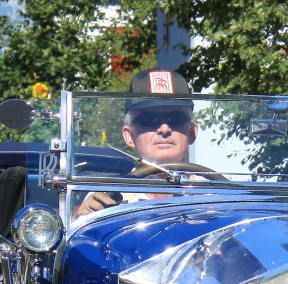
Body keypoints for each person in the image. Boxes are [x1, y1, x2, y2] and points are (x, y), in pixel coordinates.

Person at [74, 70, 203, 219]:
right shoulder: (107, 199)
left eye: (176, 119)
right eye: (148, 120)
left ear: (192, 132)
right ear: (129, 136)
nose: (164, 129)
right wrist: (85, 220)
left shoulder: (216, 193)